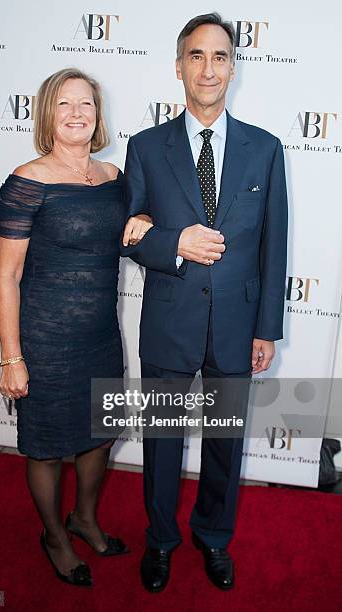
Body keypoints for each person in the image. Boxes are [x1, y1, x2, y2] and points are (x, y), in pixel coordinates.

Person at [121, 13, 288, 593]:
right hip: (170, 320)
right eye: (197, 55)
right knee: (164, 442)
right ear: (178, 66)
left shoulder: (265, 149)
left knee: (225, 443)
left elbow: (274, 245)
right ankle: (161, 540)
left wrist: (267, 328)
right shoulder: (144, 147)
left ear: (233, 67)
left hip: (238, 327)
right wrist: (177, 244)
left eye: (219, 56)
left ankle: (214, 537)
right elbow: (130, 232)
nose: (208, 68)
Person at [0, 68, 151, 587]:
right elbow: (7, 276)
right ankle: (54, 536)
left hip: (101, 336)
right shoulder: (27, 180)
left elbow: (134, 229)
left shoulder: (113, 178)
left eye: (85, 103)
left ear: (98, 114)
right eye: (64, 105)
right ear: (47, 115)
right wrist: (12, 356)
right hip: (45, 338)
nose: (77, 113)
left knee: (100, 436)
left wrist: (145, 220)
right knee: (45, 445)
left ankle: (83, 518)